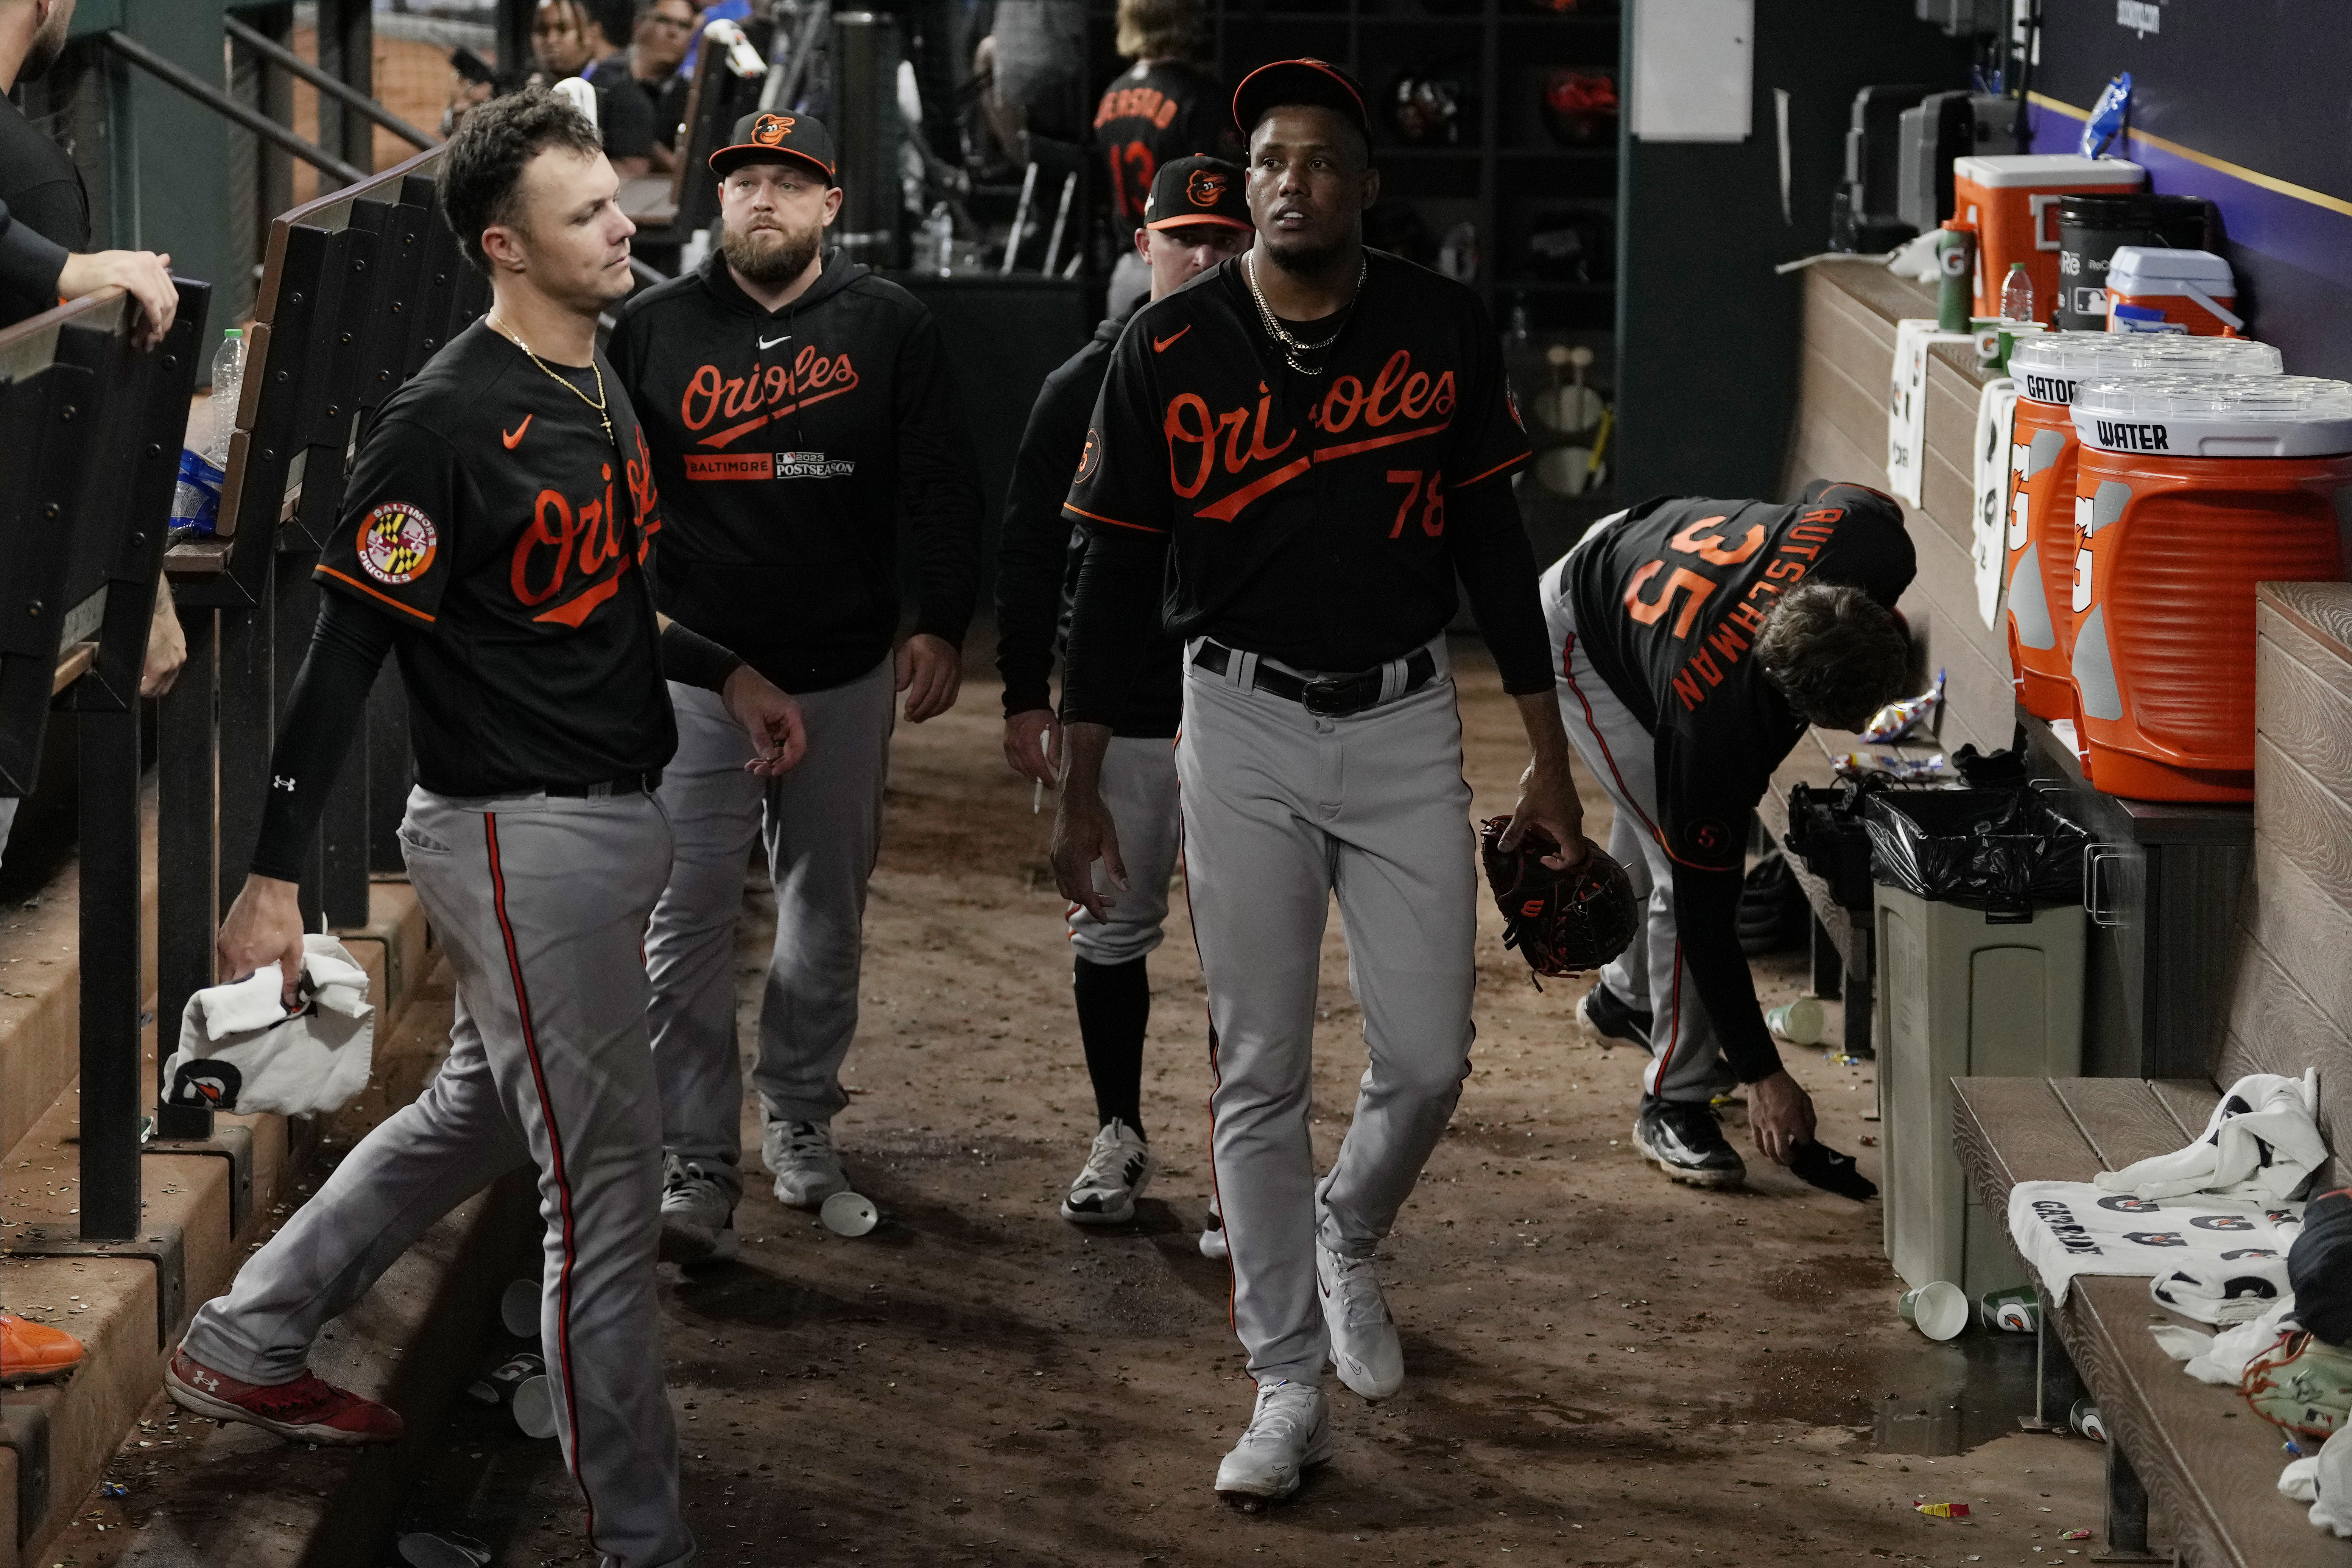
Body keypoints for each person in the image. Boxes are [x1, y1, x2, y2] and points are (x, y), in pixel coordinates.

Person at [168, 90, 804, 1568]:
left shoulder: (595, 380)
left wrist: (728, 669)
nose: (623, 226)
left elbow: (602, 600)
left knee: (475, 1112)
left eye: (615, 204)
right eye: (587, 214)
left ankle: (249, 1329)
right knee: (604, 1188)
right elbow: (345, 652)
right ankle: (638, 1537)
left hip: (595, 816)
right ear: (504, 245)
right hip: (518, 833)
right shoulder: (444, 417)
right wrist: (272, 874)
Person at [1051, 59, 1583, 1503]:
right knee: (1257, 1064)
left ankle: (1347, 1225)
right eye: (1269, 158)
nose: (1290, 178)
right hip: (1239, 720)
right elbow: (1105, 575)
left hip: (1407, 717)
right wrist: (1075, 772)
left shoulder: (1438, 324)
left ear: (1363, 185)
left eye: (1321, 159)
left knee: (1426, 1054)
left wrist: (1544, 754)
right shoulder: (1164, 349)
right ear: (1247, 184)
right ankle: (1281, 1376)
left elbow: (1489, 544)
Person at [610, 110, 984, 1261]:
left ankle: (803, 1123)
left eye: (790, 181)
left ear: (830, 205)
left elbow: (938, 483)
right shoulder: (654, 329)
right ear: (716, 203)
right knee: (684, 922)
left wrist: (938, 624)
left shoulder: (887, 324)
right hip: (697, 678)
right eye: (744, 181)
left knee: (825, 914)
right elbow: (618, 510)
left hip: (844, 668)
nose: (762, 197)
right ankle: (695, 1154)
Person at [996, 154, 1251, 1231]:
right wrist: (1024, 694)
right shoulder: (1079, 388)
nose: (1201, 254)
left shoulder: (1274, 375)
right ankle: (1118, 1127)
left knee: (1246, 942)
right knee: (1109, 923)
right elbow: (1024, 553)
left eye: (1220, 237)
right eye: (1181, 235)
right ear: (1140, 247)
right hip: (1125, 708)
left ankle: (1238, 1158)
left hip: (1246, 706)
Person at [1544, 484, 1914, 1186]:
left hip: (1645, 542)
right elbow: (1703, 917)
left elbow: (1846, 496)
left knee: (1659, 809)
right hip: (1581, 622)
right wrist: (1761, 1073)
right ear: (1785, 700)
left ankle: (1624, 997)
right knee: (1674, 853)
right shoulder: (1714, 725)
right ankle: (1671, 1098)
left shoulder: (1873, 542)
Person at [1092, 0, 1230, 316]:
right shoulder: (1198, 95)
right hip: (1188, 270)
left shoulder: (1111, 93)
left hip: (1128, 267)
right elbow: (1218, 192)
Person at [531, 0, 656, 178]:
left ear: (592, 34)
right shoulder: (530, 89)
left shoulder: (621, 93)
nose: (551, 40)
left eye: (563, 29)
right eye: (542, 31)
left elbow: (634, 170)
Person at [585, 0, 697, 174]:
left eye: (684, 26)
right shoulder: (605, 77)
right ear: (639, 26)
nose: (673, 32)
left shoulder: (693, 97)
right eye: (664, 21)